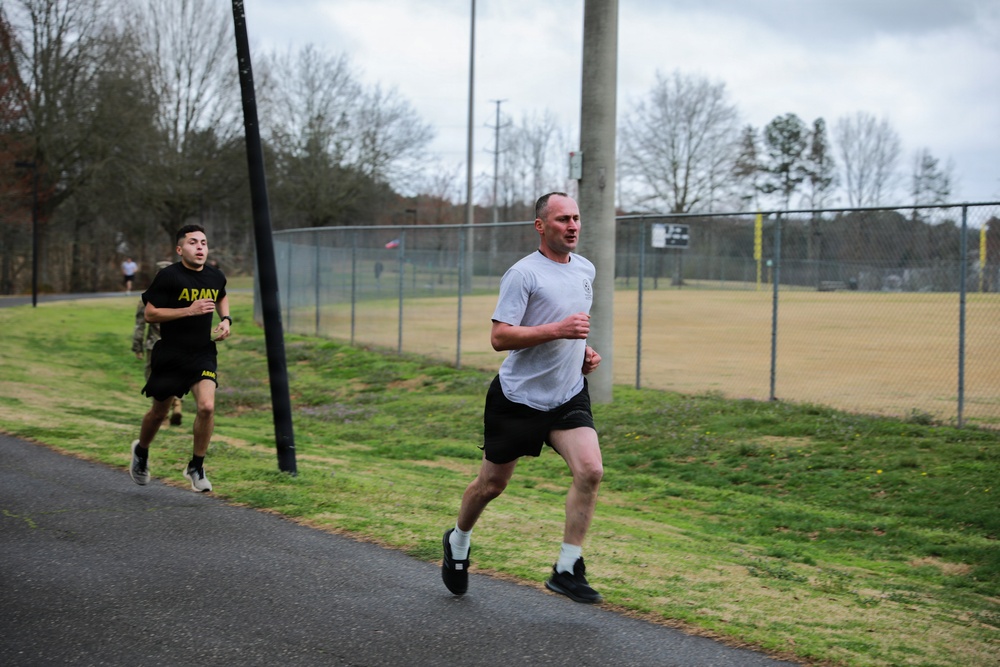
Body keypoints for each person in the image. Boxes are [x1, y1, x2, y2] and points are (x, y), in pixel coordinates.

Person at [441, 192, 605, 603]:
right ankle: (458, 541)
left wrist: (582, 353)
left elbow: (571, 331)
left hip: (567, 396)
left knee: (590, 470)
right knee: (491, 485)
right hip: (517, 399)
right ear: (540, 226)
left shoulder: (585, 269)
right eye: (563, 219)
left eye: (576, 218)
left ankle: (567, 567)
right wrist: (559, 331)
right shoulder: (522, 274)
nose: (572, 226)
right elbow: (500, 337)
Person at [128, 224, 231, 492]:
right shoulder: (168, 276)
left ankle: (196, 466)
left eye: (203, 243)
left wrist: (226, 320)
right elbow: (150, 314)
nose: (200, 247)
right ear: (179, 249)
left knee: (206, 407)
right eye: (193, 242)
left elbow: (221, 296)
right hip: (171, 354)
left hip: (202, 352)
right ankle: (141, 451)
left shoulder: (215, 276)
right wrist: (189, 310)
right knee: (159, 413)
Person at [131, 260, 183, 426]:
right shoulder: (182, 296)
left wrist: (137, 346)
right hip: (178, 345)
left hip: (154, 346)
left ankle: (163, 415)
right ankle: (177, 403)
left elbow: (140, 325)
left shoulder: (148, 298)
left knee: (154, 379)